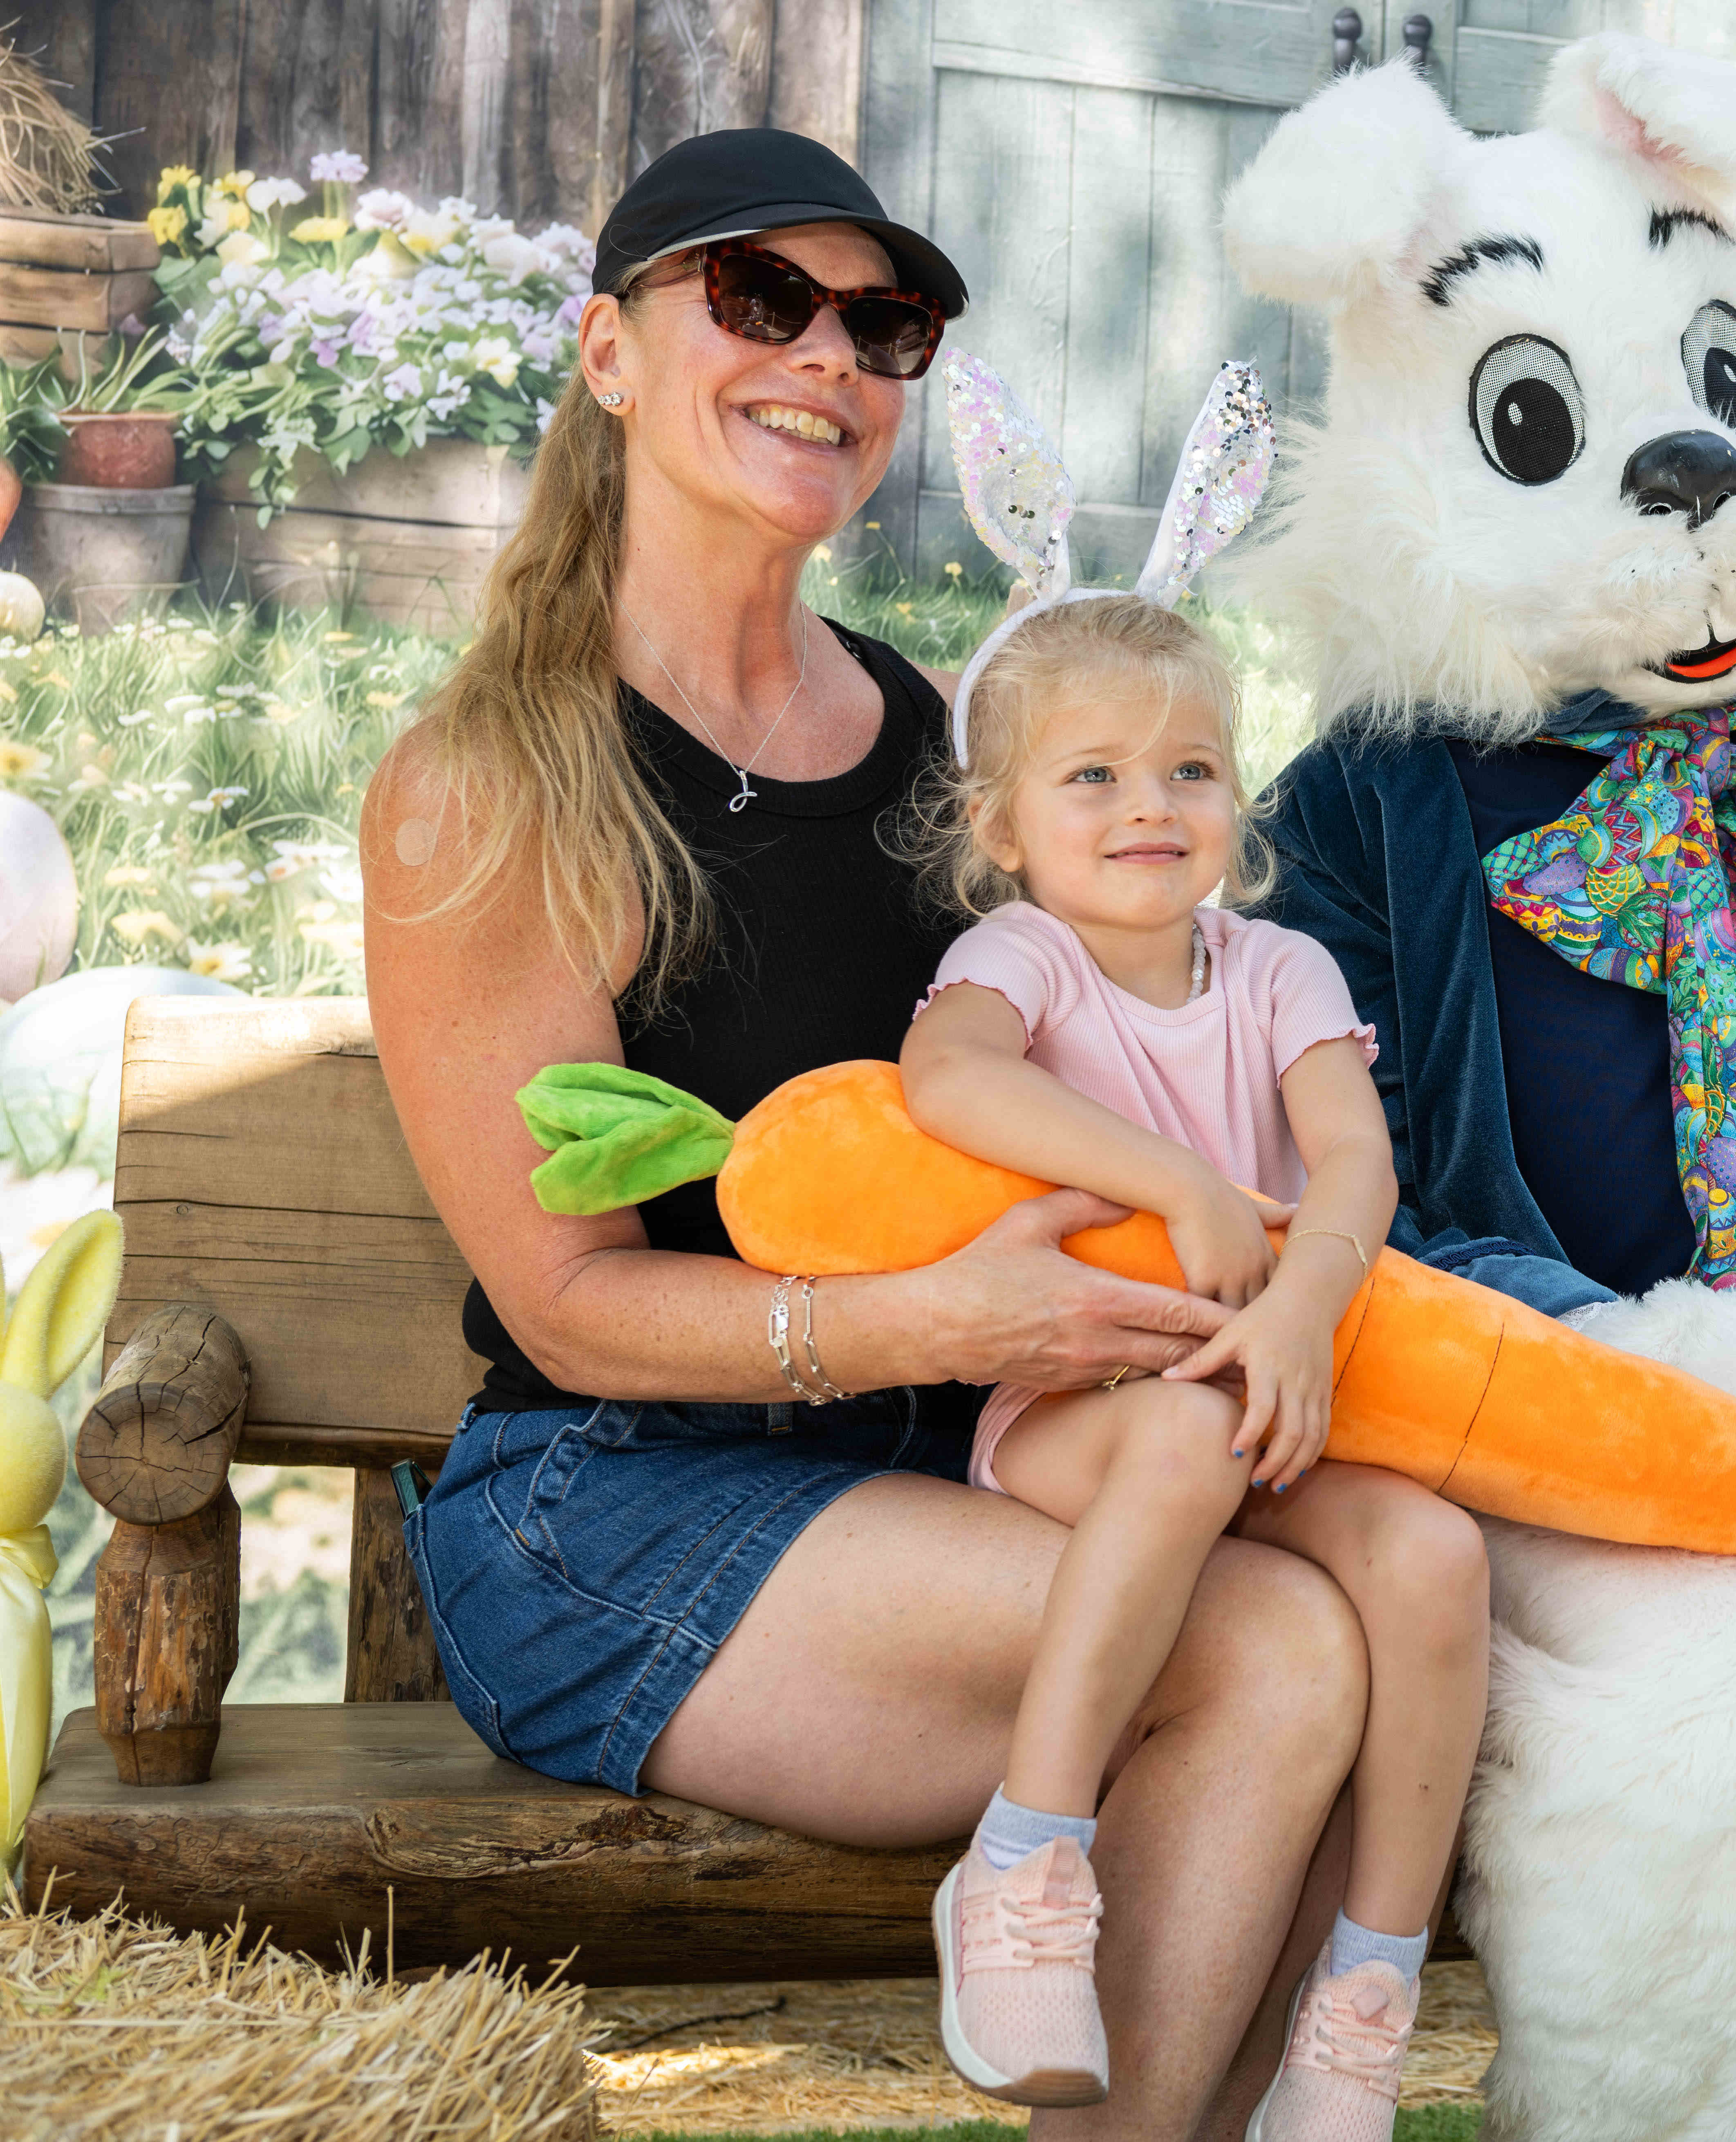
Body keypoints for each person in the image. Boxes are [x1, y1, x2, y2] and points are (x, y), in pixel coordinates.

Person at [366, 130, 1369, 2141]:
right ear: (609, 352)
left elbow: (1103, 1048)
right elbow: (567, 1308)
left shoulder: (928, 734)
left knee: (1388, 1586)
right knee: (1263, 1648)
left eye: (882, 322)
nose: (827, 354)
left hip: (945, 1451)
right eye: (762, 298)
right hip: (607, 1500)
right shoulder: (495, 781)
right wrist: (938, 1324)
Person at [899, 592, 1487, 2132]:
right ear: (1001, 826)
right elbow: (946, 1081)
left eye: (1191, 771)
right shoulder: (1024, 956)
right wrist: (1183, 1185)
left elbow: (1352, 1163)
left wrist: (1300, 1310)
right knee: (1178, 1438)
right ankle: (1024, 1854)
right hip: (1079, 1408)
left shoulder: (1281, 970)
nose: (1149, 806)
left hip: (1263, 1394)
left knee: (1431, 1556)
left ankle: (1365, 1999)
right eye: (1092, 775)